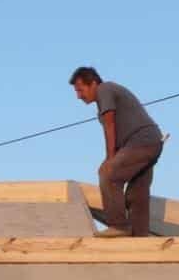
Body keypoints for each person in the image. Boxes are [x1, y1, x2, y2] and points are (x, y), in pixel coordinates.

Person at [69, 67, 165, 237]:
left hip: (141, 142)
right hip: (151, 143)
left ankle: (119, 225)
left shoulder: (104, 89)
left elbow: (109, 124)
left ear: (93, 84)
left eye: (80, 90)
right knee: (137, 194)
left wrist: (109, 159)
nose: (78, 96)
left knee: (108, 173)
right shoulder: (108, 93)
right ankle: (140, 237)